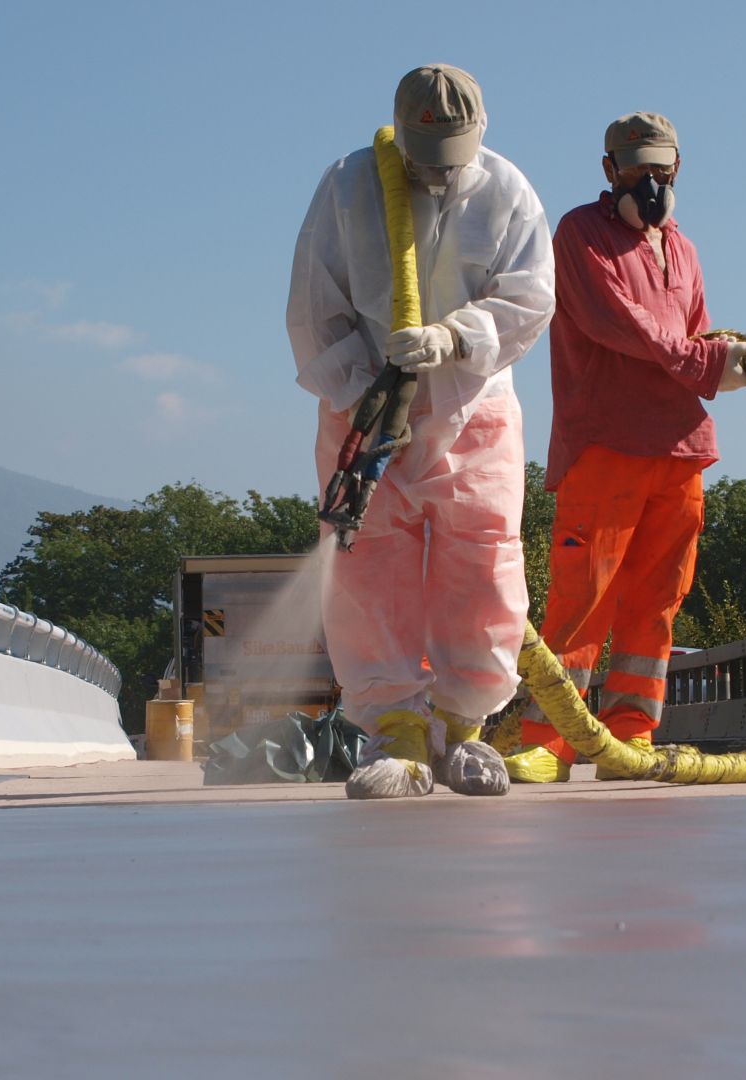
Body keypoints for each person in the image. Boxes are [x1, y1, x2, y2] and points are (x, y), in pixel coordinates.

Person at [286, 64, 554, 799]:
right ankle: (396, 732)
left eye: (451, 158)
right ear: (399, 138)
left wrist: (457, 337)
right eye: (425, 158)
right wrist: (362, 392)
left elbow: (530, 298)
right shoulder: (348, 187)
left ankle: (462, 728)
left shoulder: (506, 192)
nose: (437, 174)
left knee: (484, 564)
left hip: (474, 408)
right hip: (367, 407)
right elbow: (314, 309)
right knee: (368, 567)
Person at [504, 111, 746, 783]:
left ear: (678, 171)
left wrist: (725, 358)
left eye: (663, 172)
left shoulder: (685, 249)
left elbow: (696, 334)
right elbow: (625, 324)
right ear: (609, 169)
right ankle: (550, 741)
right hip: (605, 444)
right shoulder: (580, 235)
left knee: (657, 600)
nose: (651, 184)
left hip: (680, 447)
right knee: (582, 597)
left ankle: (630, 735)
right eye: (639, 170)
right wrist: (708, 366)